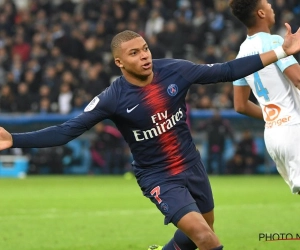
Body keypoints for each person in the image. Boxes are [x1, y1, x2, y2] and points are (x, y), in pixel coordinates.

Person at [0, 27, 300, 250]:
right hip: (158, 176)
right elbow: (66, 131)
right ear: (119, 62)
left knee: (200, 232)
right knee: (207, 239)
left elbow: (227, 70)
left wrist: (282, 51)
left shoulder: (175, 71)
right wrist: (14, 139)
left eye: (144, 48)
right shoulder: (112, 98)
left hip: (192, 166)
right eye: (134, 53)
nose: (144, 56)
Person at [229, 0, 300, 194]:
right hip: (294, 129)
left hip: (273, 135)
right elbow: (298, 79)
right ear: (261, 13)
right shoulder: (274, 42)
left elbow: (240, 105)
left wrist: (272, 117)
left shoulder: (241, 54)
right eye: (267, 3)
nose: (270, 5)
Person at [197, 108, 235, 175]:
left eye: (217, 113)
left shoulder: (223, 122)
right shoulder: (209, 122)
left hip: (221, 144)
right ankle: (209, 173)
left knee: (221, 159)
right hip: (210, 144)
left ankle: (221, 173)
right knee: (209, 159)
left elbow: (230, 132)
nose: (216, 114)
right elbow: (199, 128)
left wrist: (233, 141)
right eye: (215, 113)